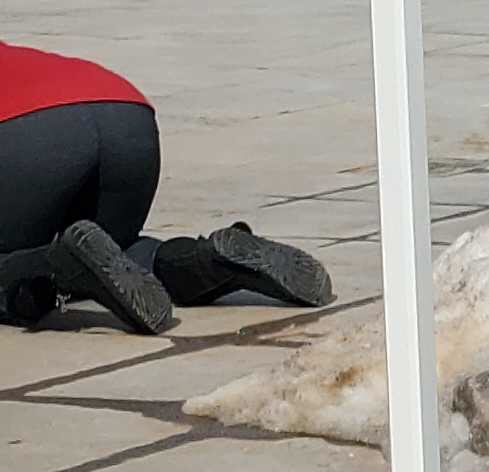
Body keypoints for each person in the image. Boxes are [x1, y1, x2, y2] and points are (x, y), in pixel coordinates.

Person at [0, 42, 330, 333]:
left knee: (34, 264)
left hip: (34, 132)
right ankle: (206, 260)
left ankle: (58, 265)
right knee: (114, 249)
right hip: (126, 113)